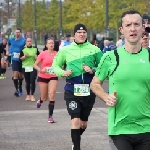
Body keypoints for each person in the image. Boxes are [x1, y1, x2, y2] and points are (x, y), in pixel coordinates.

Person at [90, 10, 150, 150]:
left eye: (136, 24)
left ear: (143, 28)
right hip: (120, 129)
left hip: (147, 128)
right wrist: (106, 97)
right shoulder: (111, 57)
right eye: (128, 25)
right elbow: (95, 83)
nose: (133, 28)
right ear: (122, 30)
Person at [52, 23, 103, 150]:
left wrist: (92, 70)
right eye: (79, 33)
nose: (81, 34)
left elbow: (103, 67)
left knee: (83, 124)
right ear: (74, 34)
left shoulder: (95, 49)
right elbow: (55, 66)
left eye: (84, 32)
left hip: (88, 90)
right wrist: (63, 73)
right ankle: (77, 147)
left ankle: (75, 140)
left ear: (87, 34)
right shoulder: (66, 50)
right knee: (75, 119)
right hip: (71, 89)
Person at [34, 38, 58, 123]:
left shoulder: (57, 54)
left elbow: (60, 65)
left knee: (51, 94)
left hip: (53, 76)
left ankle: (50, 116)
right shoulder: (43, 54)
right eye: (49, 43)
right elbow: (35, 65)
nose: (51, 45)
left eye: (52, 43)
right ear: (46, 45)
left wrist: (61, 69)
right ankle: (40, 101)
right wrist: (41, 70)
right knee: (44, 97)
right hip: (43, 76)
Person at [6, 28, 26, 97]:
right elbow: (7, 44)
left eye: (18, 32)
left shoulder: (23, 40)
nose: (17, 33)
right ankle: (16, 89)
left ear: (20, 33)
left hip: (21, 59)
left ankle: (20, 87)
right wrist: (7, 51)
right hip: (14, 58)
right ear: (15, 33)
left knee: (21, 75)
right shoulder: (11, 39)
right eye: (16, 32)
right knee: (15, 74)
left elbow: (26, 47)